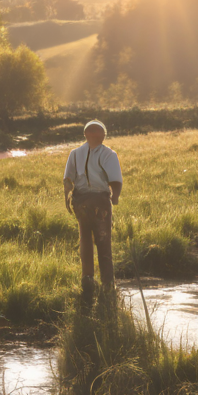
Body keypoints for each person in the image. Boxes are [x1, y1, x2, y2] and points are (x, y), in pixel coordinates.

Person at [63, 120, 123, 299]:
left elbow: (68, 180)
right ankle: (107, 285)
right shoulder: (108, 154)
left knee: (85, 240)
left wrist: (67, 199)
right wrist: (115, 197)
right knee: (103, 241)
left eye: (97, 133)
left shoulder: (75, 154)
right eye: (95, 133)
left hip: (81, 202)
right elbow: (116, 181)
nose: (96, 136)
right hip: (98, 202)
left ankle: (88, 280)